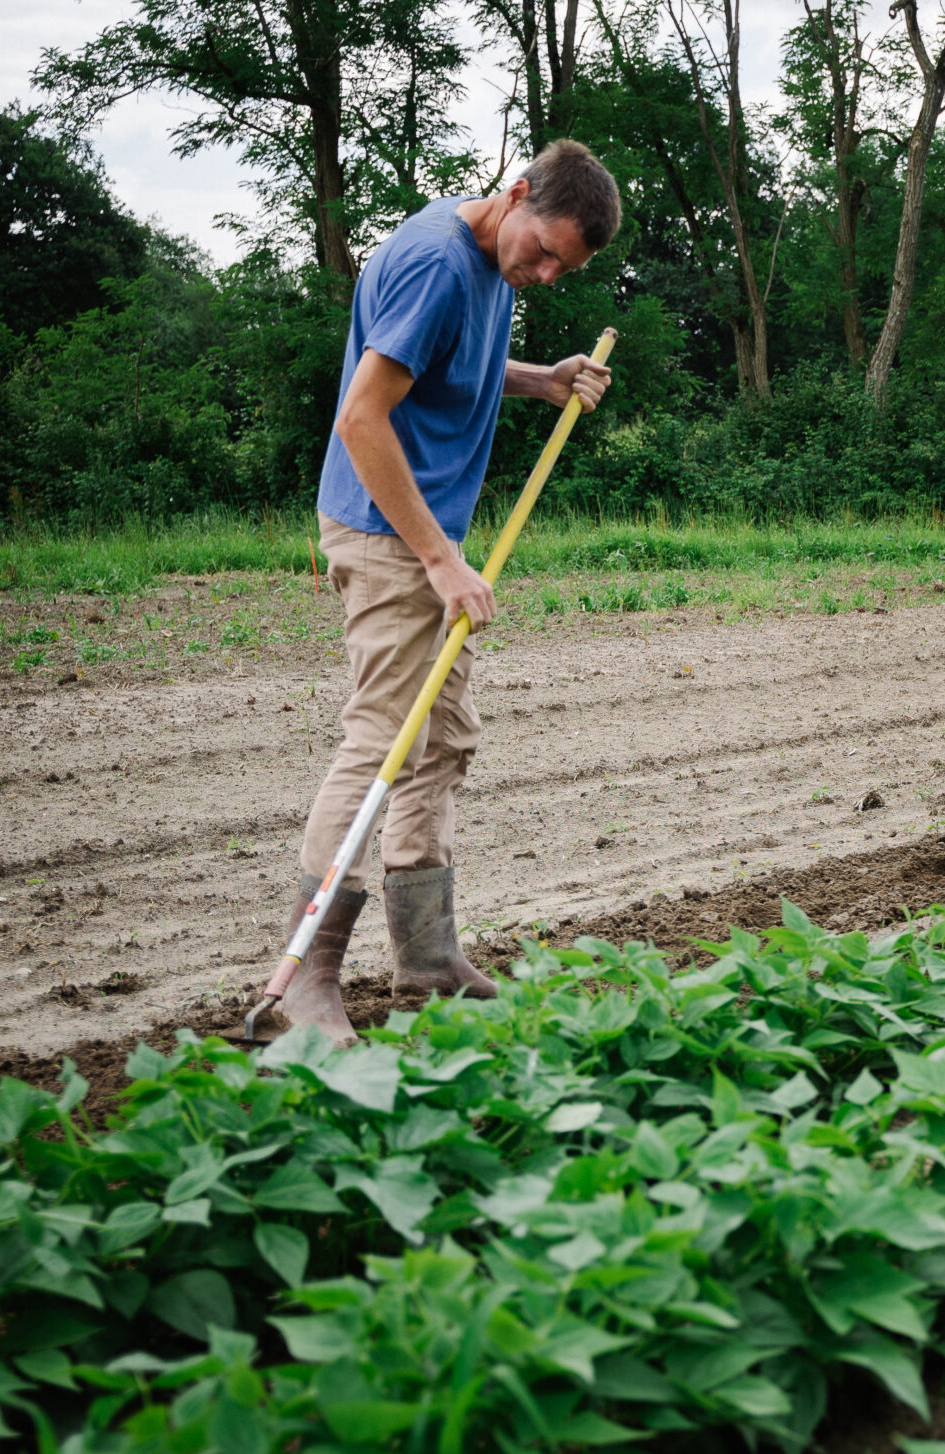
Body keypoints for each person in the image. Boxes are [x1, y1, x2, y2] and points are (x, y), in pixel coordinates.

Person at [279, 139, 622, 1043]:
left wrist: (540, 380)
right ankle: (305, 983)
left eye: (564, 267)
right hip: (390, 535)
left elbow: (445, 365)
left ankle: (426, 958)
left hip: (428, 537)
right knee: (382, 741)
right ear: (515, 196)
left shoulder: (488, 255)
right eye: (543, 250)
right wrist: (437, 558)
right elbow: (361, 417)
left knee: (442, 741)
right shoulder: (436, 261)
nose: (544, 273)